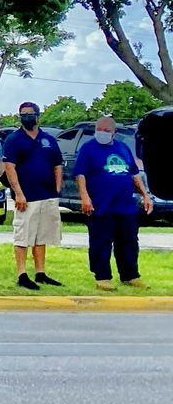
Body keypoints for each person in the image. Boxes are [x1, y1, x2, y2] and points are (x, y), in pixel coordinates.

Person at [74, 115, 154, 290]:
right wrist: (85, 197)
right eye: (99, 130)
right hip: (101, 205)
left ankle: (130, 275)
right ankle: (102, 277)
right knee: (101, 242)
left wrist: (145, 195)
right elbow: (80, 174)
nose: (102, 133)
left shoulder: (123, 148)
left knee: (129, 242)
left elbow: (134, 174)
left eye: (106, 131)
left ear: (114, 133)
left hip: (125, 206)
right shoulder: (88, 149)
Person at [4, 101, 65, 290]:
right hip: (26, 196)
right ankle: (22, 274)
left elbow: (57, 164)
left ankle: (40, 272)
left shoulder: (49, 139)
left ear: (38, 116)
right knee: (23, 236)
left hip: (47, 194)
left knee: (41, 236)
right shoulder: (14, 139)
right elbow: (10, 168)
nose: (27, 117)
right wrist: (18, 193)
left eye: (30, 114)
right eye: (23, 114)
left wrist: (57, 189)